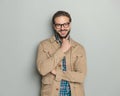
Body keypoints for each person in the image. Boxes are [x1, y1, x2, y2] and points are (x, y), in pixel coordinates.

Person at [37, 10, 87, 96]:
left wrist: (57, 73)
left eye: (65, 24)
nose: (62, 28)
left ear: (70, 25)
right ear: (54, 26)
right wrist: (62, 50)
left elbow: (81, 77)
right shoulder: (44, 45)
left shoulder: (79, 48)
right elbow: (42, 69)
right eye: (58, 25)